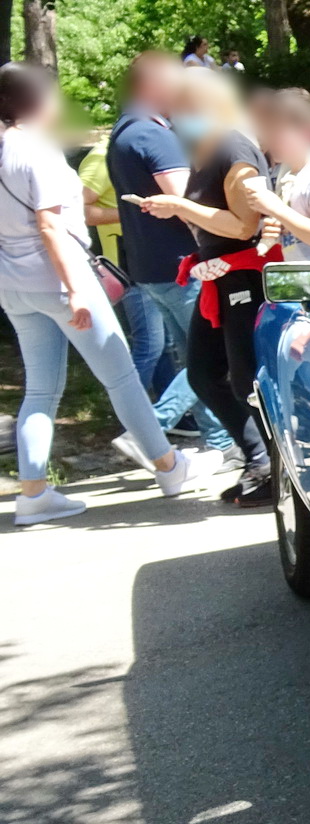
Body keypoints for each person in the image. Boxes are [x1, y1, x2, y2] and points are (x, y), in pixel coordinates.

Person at [0, 63, 209, 524]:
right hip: (59, 280)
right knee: (121, 377)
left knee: (40, 389)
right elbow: (51, 226)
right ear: (39, 100)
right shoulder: (39, 152)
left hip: (14, 286)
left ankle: (33, 493)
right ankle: (169, 467)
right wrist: (76, 289)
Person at [128, 67, 276, 508]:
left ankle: (269, 466)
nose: (175, 118)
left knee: (244, 376)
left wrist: (179, 206)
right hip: (219, 275)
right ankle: (259, 459)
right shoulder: (210, 148)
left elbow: (244, 223)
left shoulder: (233, 146)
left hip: (244, 275)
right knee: (204, 373)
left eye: (182, 109)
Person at [106, 52, 235, 465]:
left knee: (191, 353)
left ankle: (219, 444)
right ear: (153, 85)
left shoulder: (123, 132)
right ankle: (150, 429)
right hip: (185, 263)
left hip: (150, 266)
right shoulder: (153, 136)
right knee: (206, 359)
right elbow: (185, 201)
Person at [247, 88, 310, 260]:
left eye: (276, 131)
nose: (269, 138)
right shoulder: (290, 177)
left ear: (307, 134)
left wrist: (276, 209)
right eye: (267, 131)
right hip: (303, 283)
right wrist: (278, 227)